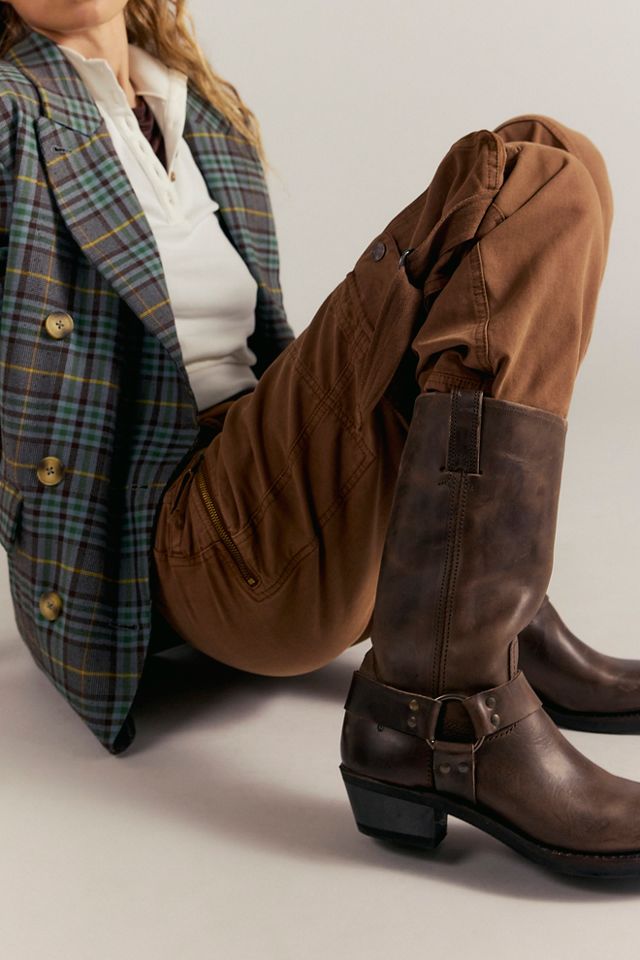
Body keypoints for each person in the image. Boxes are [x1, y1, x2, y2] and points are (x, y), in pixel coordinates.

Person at [1, 0, 639, 879]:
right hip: (186, 542)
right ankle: (444, 716)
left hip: (266, 482)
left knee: (556, 150)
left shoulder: (199, 111)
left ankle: (487, 616)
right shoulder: (13, 112)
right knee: (522, 178)